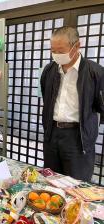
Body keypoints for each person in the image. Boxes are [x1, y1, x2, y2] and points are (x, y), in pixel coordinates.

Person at [40, 26, 104, 182]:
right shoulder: (49, 71)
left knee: (76, 184)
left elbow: (101, 106)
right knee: (51, 181)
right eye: (53, 50)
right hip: (52, 133)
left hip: (78, 137)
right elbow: (46, 98)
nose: (56, 55)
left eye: (61, 51)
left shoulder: (95, 72)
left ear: (77, 46)